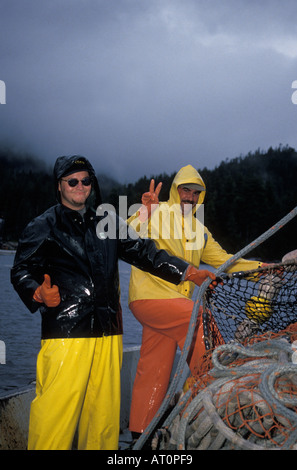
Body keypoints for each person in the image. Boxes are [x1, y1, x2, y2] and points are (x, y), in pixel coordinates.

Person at [10, 155, 215, 451]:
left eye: (86, 180)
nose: (80, 186)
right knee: (55, 414)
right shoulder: (43, 225)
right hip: (66, 334)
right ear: (60, 186)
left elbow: (145, 252)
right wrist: (37, 293)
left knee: (103, 419)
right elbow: (21, 270)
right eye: (72, 181)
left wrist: (188, 271)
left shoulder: (107, 223)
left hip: (109, 333)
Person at [127, 164, 264, 439]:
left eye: (195, 193)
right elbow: (126, 238)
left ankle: (139, 434)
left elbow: (227, 261)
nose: (189, 197)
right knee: (200, 320)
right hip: (150, 297)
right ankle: (211, 398)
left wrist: (262, 268)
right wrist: (145, 211)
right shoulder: (157, 212)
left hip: (170, 309)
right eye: (185, 190)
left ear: (201, 197)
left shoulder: (200, 231)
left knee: (154, 368)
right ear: (176, 192)